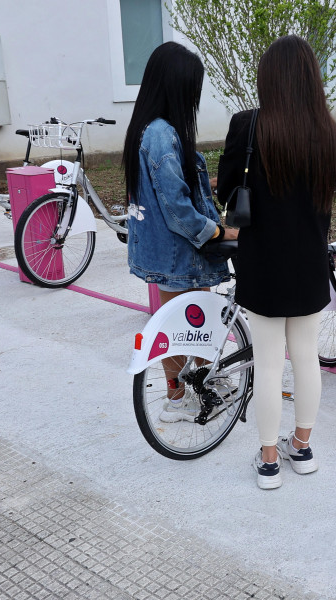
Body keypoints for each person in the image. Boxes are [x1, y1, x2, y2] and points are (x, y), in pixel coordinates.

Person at [217, 35, 336, 489]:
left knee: (269, 363)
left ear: (268, 77)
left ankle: (269, 461)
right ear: (311, 78)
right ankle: (302, 448)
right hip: (310, 261)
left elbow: (226, 187)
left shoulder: (247, 125)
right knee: (306, 358)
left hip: (262, 262)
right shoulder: (329, 132)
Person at [123, 41, 237, 422]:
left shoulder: (147, 130)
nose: (194, 98)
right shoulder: (163, 135)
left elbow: (168, 193)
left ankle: (191, 388)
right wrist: (220, 233)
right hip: (179, 254)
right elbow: (177, 211)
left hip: (166, 253)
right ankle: (182, 395)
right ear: (176, 87)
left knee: (185, 325)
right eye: (192, 89)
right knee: (189, 326)